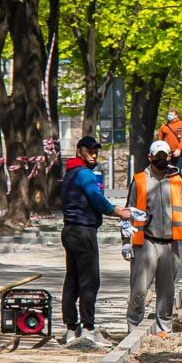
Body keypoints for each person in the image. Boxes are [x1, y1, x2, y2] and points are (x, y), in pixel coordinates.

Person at [61, 135, 132, 348]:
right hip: (84, 232)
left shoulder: (69, 174)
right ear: (79, 150)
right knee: (90, 281)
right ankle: (89, 329)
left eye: (96, 151)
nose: (94, 154)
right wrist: (117, 211)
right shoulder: (85, 175)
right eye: (89, 150)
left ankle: (70, 329)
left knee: (72, 280)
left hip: (69, 231)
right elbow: (96, 198)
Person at [122, 140, 182, 337]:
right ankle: (133, 330)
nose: (162, 159)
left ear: (170, 156)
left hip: (171, 245)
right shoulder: (139, 181)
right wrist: (125, 243)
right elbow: (128, 212)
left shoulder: (177, 180)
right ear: (150, 158)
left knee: (167, 293)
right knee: (139, 291)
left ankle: (164, 329)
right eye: (158, 156)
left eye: (165, 155)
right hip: (146, 243)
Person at [157, 108, 182, 174]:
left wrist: (179, 149)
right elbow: (160, 139)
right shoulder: (164, 126)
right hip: (166, 152)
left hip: (177, 152)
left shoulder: (181, 124)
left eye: (171, 114)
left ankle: (178, 183)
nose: (169, 116)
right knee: (166, 171)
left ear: (176, 116)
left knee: (176, 171)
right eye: (168, 114)